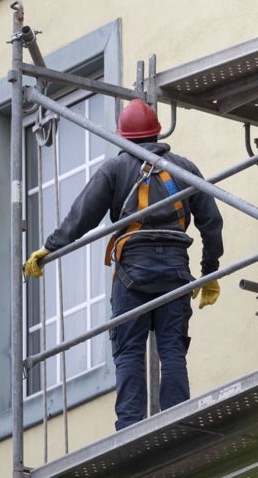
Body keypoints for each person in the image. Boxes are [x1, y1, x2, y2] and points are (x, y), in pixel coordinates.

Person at [23, 99, 223, 430]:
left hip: (133, 271)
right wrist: (210, 270)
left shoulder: (115, 169)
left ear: (124, 137)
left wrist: (50, 248)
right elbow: (211, 221)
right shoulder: (184, 167)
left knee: (130, 350)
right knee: (172, 347)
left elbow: (82, 215)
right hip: (175, 270)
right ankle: (177, 421)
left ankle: (130, 428)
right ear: (157, 132)